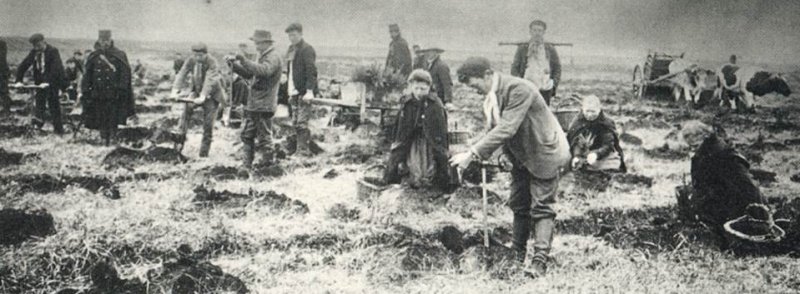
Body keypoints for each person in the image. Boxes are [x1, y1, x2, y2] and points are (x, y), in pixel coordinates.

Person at [451, 57, 570, 277]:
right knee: (519, 204)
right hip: (521, 157)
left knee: (542, 207)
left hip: (545, 153)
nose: (473, 90)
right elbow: (494, 131)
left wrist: (473, 153)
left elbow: (507, 127)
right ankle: (517, 253)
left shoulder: (519, 89)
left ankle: (539, 262)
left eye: (474, 84)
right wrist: (501, 154)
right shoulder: (491, 99)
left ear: (487, 74)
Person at [383, 69, 450, 190]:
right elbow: (400, 125)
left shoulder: (435, 104)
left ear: (429, 87)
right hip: (411, 139)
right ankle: (397, 182)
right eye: (416, 88)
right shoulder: (406, 103)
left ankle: (436, 185)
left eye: (423, 89)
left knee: (432, 161)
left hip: (429, 140)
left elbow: (441, 128)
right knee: (405, 159)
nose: (419, 92)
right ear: (410, 86)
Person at [228, 30, 282, 169]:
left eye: (258, 43)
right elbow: (250, 74)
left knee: (264, 138)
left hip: (264, 104)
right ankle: (246, 166)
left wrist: (244, 60)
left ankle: (268, 167)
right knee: (247, 135)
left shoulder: (273, 57)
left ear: (266, 43)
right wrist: (234, 66)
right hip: (255, 104)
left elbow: (264, 71)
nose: (256, 46)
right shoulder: (263, 56)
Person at [81, 30, 135, 144]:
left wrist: (122, 88)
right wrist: (86, 90)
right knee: (100, 115)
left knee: (113, 116)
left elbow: (125, 74)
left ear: (111, 40)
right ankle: (103, 138)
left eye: (106, 40)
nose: (104, 43)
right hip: (98, 92)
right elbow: (87, 75)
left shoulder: (119, 54)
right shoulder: (94, 56)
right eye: (102, 40)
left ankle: (113, 137)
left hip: (114, 92)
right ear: (99, 40)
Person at [171, 43, 223, 157]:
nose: (197, 58)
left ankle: (203, 155)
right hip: (196, 92)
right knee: (184, 117)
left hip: (212, 95)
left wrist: (203, 96)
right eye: (195, 55)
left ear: (206, 54)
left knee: (208, 126)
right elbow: (182, 73)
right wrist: (175, 90)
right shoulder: (191, 60)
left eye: (200, 55)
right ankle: (178, 149)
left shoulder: (212, 62)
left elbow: (210, 80)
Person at [14, 33, 68, 134]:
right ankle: (38, 128)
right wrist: (18, 80)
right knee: (39, 105)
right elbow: (24, 65)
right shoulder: (34, 52)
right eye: (35, 46)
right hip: (40, 84)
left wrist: (47, 82)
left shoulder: (53, 51)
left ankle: (59, 130)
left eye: (39, 45)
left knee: (53, 105)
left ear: (44, 42)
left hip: (53, 82)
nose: (37, 48)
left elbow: (55, 69)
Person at [284, 22, 318, 157]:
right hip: (293, 90)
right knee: (294, 121)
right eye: (290, 35)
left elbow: (311, 71)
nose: (291, 38)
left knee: (302, 122)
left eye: (294, 35)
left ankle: (303, 151)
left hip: (304, 92)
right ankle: (295, 149)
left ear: (301, 34)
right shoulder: (291, 49)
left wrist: (310, 90)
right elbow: (291, 71)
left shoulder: (307, 49)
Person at [567, 95, 626, 172]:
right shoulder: (577, 122)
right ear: (582, 109)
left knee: (613, 164)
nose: (590, 114)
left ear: (599, 110)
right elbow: (574, 142)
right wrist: (576, 156)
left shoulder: (605, 123)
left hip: (601, 154)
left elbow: (608, 145)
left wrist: (596, 154)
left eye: (593, 111)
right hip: (583, 152)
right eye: (587, 111)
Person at [510, 20, 561, 106]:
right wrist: (520, 84)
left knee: (543, 113)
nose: (537, 33)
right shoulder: (523, 48)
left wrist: (553, 84)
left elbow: (557, 67)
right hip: (527, 87)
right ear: (530, 32)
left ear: (544, 32)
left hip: (545, 88)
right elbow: (514, 68)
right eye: (535, 30)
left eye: (540, 30)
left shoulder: (549, 48)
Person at [0, 37, 10, 114]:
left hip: (2, 72)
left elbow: (2, 58)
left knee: (3, 91)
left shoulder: (2, 44)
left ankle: (6, 110)